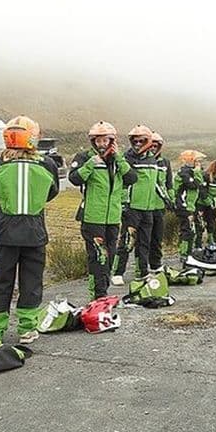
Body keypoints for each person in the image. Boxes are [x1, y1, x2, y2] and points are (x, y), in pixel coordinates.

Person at [0, 116, 59, 346]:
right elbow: (52, 192)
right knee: (32, 281)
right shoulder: (47, 164)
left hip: (6, 231)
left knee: (1, 281)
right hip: (34, 231)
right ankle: (27, 328)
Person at [70, 121, 136, 300]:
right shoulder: (84, 157)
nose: (102, 144)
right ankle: (97, 296)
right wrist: (91, 164)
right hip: (93, 217)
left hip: (113, 218)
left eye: (105, 140)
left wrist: (119, 159)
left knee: (110, 257)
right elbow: (74, 178)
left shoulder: (118, 160)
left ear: (111, 140)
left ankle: (103, 292)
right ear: (93, 141)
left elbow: (131, 178)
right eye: (98, 141)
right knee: (98, 257)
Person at [111, 125, 159, 285]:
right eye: (135, 140)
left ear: (148, 141)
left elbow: (155, 183)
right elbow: (123, 181)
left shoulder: (152, 159)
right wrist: (124, 204)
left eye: (141, 140)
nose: (137, 143)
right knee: (126, 241)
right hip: (132, 207)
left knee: (144, 242)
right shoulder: (127, 157)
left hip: (149, 207)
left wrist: (167, 200)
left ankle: (142, 272)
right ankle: (117, 272)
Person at [174, 150, 206, 264]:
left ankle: (188, 252)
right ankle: (184, 254)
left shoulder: (191, 172)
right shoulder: (184, 172)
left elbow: (200, 184)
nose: (199, 164)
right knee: (186, 231)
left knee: (191, 231)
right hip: (184, 206)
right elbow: (194, 185)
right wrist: (197, 171)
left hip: (191, 206)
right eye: (197, 161)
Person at [149, 132, 173, 273]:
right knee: (141, 239)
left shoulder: (165, 162)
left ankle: (156, 263)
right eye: (151, 145)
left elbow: (169, 184)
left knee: (157, 237)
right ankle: (140, 266)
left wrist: (171, 198)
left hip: (160, 205)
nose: (153, 148)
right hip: (144, 205)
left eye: (156, 146)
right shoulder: (142, 161)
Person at [195, 160, 216, 248]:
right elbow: (202, 191)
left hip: (212, 205)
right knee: (200, 225)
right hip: (201, 204)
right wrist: (208, 201)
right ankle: (198, 245)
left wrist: (215, 201)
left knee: (212, 224)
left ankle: (212, 243)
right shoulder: (205, 176)